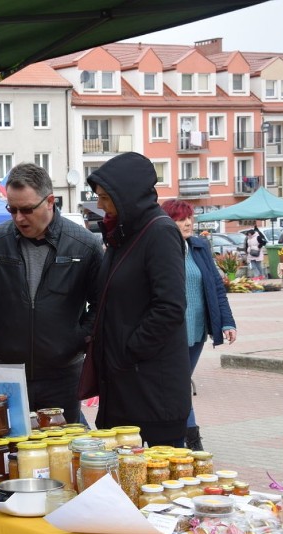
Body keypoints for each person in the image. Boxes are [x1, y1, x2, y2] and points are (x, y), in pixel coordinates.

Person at [0, 163, 104, 421]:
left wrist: (78, 339)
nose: (18, 218)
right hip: (7, 370)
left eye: (26, 210)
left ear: (49, 201)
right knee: (7, 449)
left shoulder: (84, 245)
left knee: (61, 452)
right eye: (11, 209)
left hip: (63, 374)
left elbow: (103, 303)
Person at [89, 152, 191, 447]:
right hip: (123, 388)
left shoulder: (159, 232)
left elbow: (170, 307)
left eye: (106, 197)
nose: (99, 205)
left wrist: (127, 351)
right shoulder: (123, 234)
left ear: (127, 196)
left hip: (151, 395)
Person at [161, 199, 237, 451]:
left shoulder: (199, 246)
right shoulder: (160, 250)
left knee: (180, 384)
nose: (187, 223)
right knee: (180, 384)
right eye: (180, 218)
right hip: (171, 332)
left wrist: (227, 321)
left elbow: (216, 286)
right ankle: (192, 441)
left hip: (196, 330)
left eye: (189, 218)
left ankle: (181, 438)